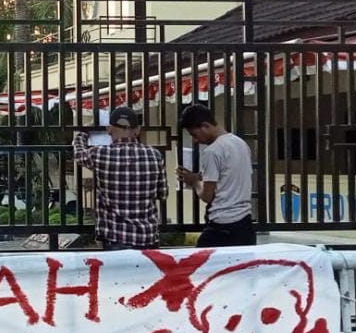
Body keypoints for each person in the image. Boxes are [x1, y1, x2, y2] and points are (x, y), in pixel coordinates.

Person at [73, 107, 167, 249]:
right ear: (137, 130)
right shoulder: (155, 155)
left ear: (109, 129)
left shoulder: (100, 154)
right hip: (147, 237)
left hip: (115, 237)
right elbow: (163, 194)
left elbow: (78, 153)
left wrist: (82, 134)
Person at [177, 104, 255, 247]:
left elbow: (207, 196)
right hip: (245, 223)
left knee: (201, 265)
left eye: (194, 134)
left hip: (222, 225)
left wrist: (194, 182)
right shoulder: (241, 144)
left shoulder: (212, 152)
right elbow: (228, 178)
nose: (195, 140)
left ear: (205, 126)